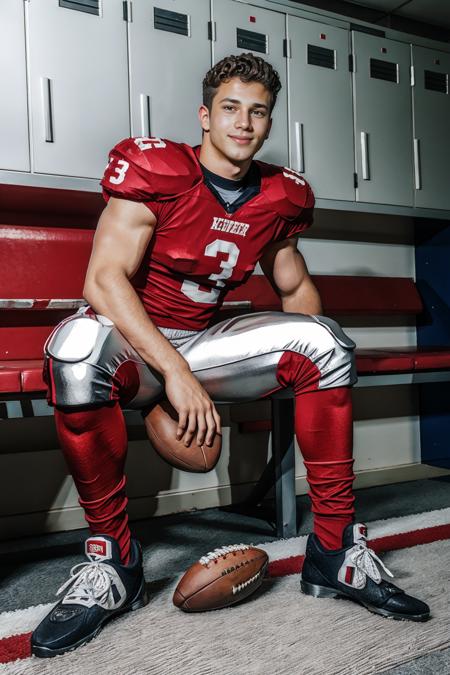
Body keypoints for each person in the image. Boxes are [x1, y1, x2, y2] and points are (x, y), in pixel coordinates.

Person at [31, 53, 429, 658]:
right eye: (231, 108)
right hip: (133, 342)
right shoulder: (158, 169)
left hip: (205, 343)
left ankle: (335, 550)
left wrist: (313, 372)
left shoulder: (279, 196)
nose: (244, 122)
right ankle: (113, 564)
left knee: (326, 341)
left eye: (258, 111)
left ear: (269, 124)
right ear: (206, 116)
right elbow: (104, 281)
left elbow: (296, 292)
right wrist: (176, 374)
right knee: (75, 348)